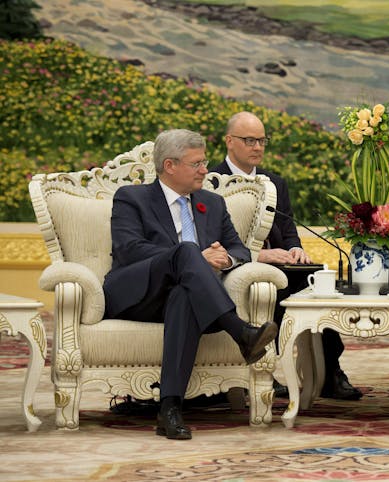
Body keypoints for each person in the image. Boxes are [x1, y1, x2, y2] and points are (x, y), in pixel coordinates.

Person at [103, 129, 279, 440]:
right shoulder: (132, 198)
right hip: (139, 294)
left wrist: (225, 261)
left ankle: (169, 409)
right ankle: (240, 330)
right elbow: (129, 249)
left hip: (192, 299)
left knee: (183, 296)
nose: (205, 170)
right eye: (196, 164)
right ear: (169, 165)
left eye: (204, 162)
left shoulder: (212, 203)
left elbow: (237, 249)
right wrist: (193, 257)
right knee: (186, 250)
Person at [211, 111, 362, 401]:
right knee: (265, 289)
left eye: (262, 141)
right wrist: (261, 256)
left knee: (319, 285)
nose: (257, 147)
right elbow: (212, 240)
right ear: (230, 141)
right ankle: (257, 372)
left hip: (281, 268)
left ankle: (329, 371)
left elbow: (288, 228)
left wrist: (295, 249)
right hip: (236, 270)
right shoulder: (212, 183)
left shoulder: (275, 183)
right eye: (250, 140)